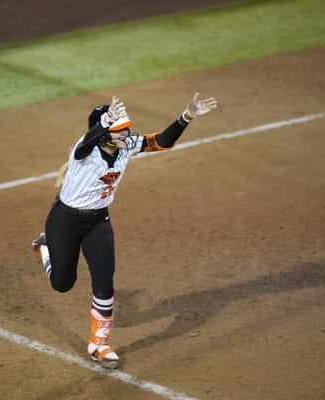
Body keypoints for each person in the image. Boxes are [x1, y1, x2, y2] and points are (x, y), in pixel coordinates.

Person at [32, 92, 217, 368]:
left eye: (125, 128)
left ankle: (99, 345)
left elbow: (161, 142)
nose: (126, 134)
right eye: (119, 130)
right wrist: (106, 120)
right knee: (62, 284)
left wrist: (186, 116)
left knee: (105, 283)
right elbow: (88, 141)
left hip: (98, 222)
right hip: (64, 221)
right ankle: (45, 247)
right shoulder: (83, 152)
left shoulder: (126, 145)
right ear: (104, 133)